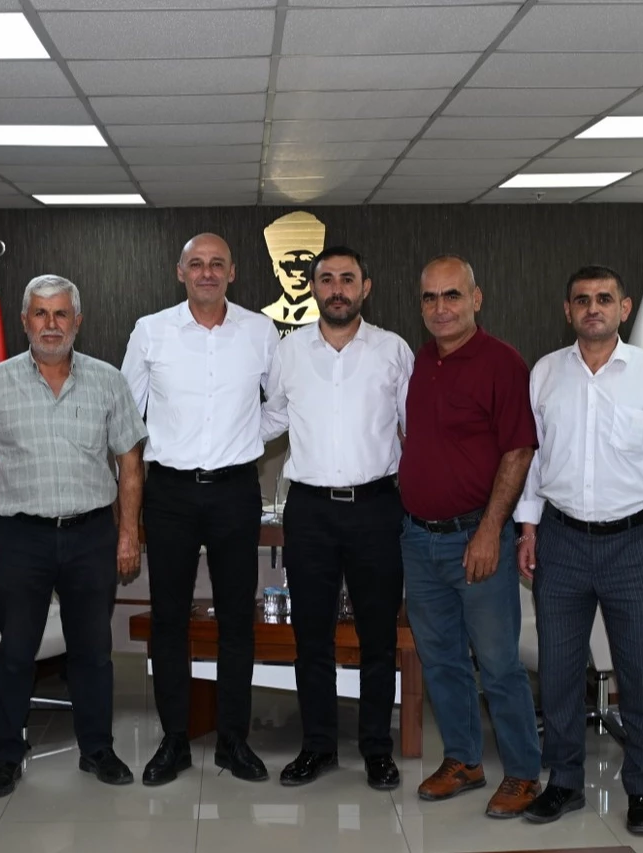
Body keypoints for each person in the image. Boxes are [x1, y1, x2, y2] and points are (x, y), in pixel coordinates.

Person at [514, 265, 643, 835]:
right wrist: (528, 527)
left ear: (624, 307)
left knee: (641, 672)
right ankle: (564, 782)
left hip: (635, 542)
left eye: (604, 299)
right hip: (561, 539)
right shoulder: (545, 372)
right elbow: (533, 458)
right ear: (567, 310)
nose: (593, 308)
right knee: (559, 671)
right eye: (582, 300)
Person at [0, 275, 147, 798]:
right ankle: (5, 756)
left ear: (77, 321)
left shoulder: (108, 381)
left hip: (91, 535)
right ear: (24, 321)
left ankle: (97, 749)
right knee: (15, 652)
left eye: (61, 314)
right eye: (40, 314)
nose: (51, 324)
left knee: (93, 652)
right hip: (21, 538)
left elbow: (130, 463)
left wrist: (128, 534)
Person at [121, 233, 280, 786]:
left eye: (217, 264)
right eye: (196, 264)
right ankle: (174, 740)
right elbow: (128, 417)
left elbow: (282, 405)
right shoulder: (150, 331)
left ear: (232, 272)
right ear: (180, 272)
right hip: (169, 493)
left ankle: (234, 740)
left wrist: (246, 438)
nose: (206, 272)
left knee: (238, 618)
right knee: (169, 618)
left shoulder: (260, 331)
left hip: (236, 489)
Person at [260, 246, 413, 790]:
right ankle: (318, 746)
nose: (337, 288)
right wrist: (211, 437)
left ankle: (377, 750)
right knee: (312, 637)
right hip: (310, 511)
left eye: (348, 278)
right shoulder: (289, 351)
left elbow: (413, 429)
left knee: (377, 638)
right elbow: (272, 418)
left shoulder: (393, 350)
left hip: (376, 507)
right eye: (326, 279)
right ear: (314, 288)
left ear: (365, 287)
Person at [397, 254, 542, 817]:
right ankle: (463, 760)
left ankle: (523, 773)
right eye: (430, 297)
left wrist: (488, 531)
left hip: (475, 539)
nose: (441, 308)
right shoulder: (419, 362)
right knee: (441, 660)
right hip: (418, 540)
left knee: (498, 663)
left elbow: (518, 451)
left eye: (452, 295)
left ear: (476, 299)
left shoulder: (502, 363)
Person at [260, 211, 326, 334]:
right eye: (288, 262)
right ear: (276, 268)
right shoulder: (264, 317)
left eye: (305, 262)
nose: (297, 271)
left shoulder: (329, 315)